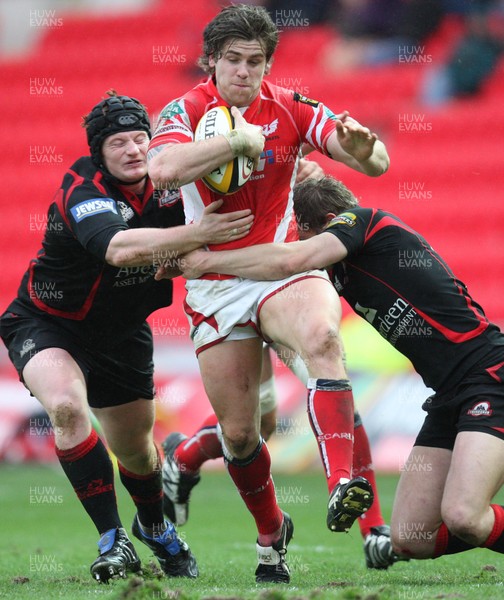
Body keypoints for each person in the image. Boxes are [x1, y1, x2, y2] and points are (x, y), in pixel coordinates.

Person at [148, 4, 389, 583]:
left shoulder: (290, 106)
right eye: (232, 60)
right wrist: (237, 142)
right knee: (242, 430)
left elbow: (378, 163)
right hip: (216, 280)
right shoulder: (184, 111)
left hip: (282, 268)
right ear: (212, 61)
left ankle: (347, 495)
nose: (244, 72)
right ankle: (266, 526)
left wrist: (361, 149)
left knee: (324, 344)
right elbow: (162, 171)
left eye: (255, 62)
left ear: (268, 65)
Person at [179, 175, 504, 566]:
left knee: (464, 517)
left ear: (329, 222)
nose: (298, 243)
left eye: (303, 234)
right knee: (411, 538)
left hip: (489, 375)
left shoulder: (364, 222)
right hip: (449, 394)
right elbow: (268, 272)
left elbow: (288, 259)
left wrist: (204, 262)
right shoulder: (343, 267)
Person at [0, 91, 255, 583]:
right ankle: (112, 539)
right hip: (48, 322)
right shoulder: (83, 187)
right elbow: (117, 248)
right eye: (119, 142)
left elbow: (246, 188)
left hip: (121, 334)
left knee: (138, 450)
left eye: (141, 138)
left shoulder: (173, 181)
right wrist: (200, 233)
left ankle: (155, 527)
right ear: (99, 152)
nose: (134, 150)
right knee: (68, 409)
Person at [162, 340, 398, 570]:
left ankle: (372, 529)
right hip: (232, 305)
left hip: (284, 302)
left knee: (331, 379)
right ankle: (184, 458)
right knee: (250, 425)